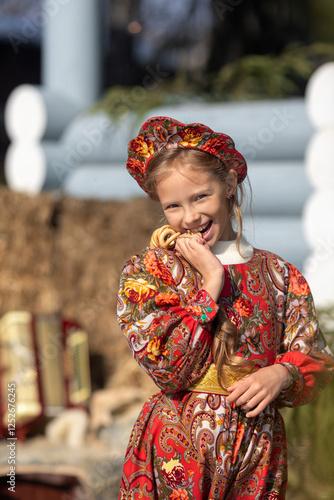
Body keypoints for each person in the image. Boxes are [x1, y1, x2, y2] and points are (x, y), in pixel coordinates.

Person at [117, 116, 334, 499]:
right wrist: (211, 283)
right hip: (178, 452)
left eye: (201, 196)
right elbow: (169, 370)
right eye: (173, 206)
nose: (190, 217)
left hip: (257, 451)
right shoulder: (151, 272)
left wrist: (282, 374)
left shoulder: (281, 275)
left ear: (230, 184)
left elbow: (317, 357)